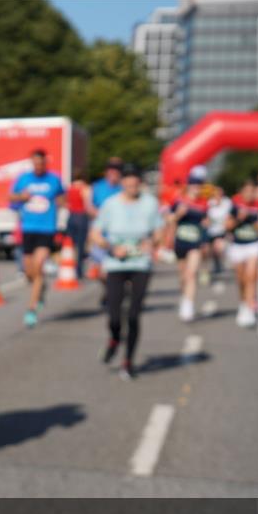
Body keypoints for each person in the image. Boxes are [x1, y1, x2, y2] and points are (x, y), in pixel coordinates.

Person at [90, 164, 164, 381]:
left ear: (140, 183)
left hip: (141, 263)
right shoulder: (110, 204)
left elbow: (159, 230)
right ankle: (114, 339)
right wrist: (111, 248)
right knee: (114, 314)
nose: (132, 188)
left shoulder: (150, 203)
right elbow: (95, 233)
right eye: (128, 184)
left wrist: (152, 242)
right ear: (122, 183)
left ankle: (128, 361)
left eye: (135, 184)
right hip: (116, 263)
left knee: (133, 315)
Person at [8, 149, 65, 328]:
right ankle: (41, 289)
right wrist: (21, 197)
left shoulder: (54, 179)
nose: (39, 166)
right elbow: (10, 197)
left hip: (47, 229)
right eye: (35, 163)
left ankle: (31, 310)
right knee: (29, 272)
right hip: (28, 228)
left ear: (45, 163)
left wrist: (62, 212)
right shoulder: (24, 179)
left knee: (39, 266)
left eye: (41, 163)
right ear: (32, 163)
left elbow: (62, 197)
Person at [167, 166, 209, 322]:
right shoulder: (178, 201)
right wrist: (178, 214)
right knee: (183, 276)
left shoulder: (203, 203)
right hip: (180, 242)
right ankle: (184, 297)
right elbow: (169, 220)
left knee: (191, 274)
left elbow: (206, 222)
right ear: (189, 186)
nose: (197, 189)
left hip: (195, 243)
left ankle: (188, 305)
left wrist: (206, 225)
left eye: (199, 186)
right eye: (194, 185)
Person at [225, 180, 258, 328]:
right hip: (237, 245)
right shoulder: (235, 204)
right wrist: (239, 218)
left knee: (251, 276)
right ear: (242, 191)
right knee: (241, 278)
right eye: (247, 191)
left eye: (252, 191)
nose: (250, 194)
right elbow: (227, 226)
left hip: (254, 244)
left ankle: (250, 309)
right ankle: (243, 303)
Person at [87, 157, 124, 304]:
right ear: (107, 171)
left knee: (117, 271)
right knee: (101, 272)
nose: (114, 172)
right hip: (101, 236)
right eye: (111, 169)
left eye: (117, 169)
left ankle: (116, 292)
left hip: (120, 236)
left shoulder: (123, 188)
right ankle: (110, 290)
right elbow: (90, 208)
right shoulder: (97, 187)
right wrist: (102, 216)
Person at [65, 168, 92, 279]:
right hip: (81, 217)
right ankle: (79, 270)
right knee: (81, 245)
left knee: (71, 245)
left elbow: (67, 203)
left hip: (71, 216)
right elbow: (87, 204)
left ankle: (69, 266)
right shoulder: (85, 188)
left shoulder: (70, 188)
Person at [206, 185, 232, 279]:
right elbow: (207, 216)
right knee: (213, 251)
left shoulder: (227, 202)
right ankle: (217, 264)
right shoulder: (210, 202)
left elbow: (229, 215)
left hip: (222, 230)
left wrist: (228, 225)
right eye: (216, 193)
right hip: (212, 230)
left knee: (218, 248)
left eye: (219, 193)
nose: (218, 195)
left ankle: (223, 261)